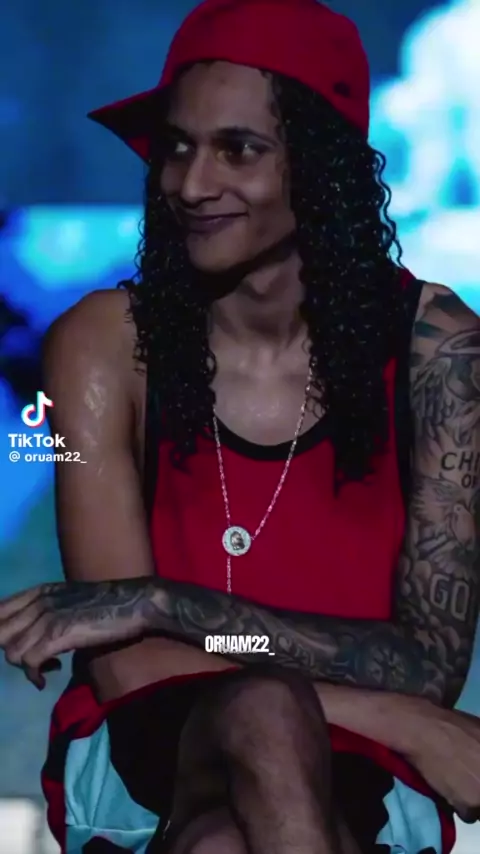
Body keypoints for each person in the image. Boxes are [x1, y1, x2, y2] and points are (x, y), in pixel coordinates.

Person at [0, 0, 479, 851]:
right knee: (263, 711)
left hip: (357, 768)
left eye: (239, 149)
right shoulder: (105, 345)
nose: (189, 184)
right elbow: (127, 663)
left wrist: (165, 603)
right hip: (155, 744)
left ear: (321, 166)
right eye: (178, 147)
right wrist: (392, 717)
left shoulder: (436, 350)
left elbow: (427, 664)